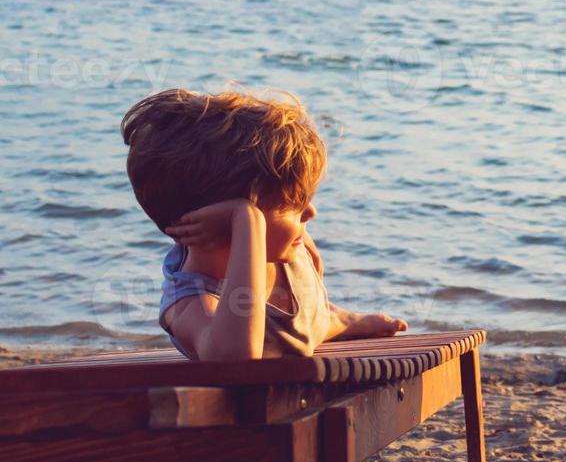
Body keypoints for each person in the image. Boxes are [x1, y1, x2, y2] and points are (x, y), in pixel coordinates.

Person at [121, 88, 408, 361]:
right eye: (290, 206)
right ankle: (332, 320)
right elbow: (235, 358)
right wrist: (247, 221)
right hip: (271, 356)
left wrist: (261, 222)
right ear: (223, 222)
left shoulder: (285, 248)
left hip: (310, 316)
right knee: (304, 314)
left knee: (316, 306)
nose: (310, 212)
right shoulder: (189, 303)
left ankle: (339, 319)